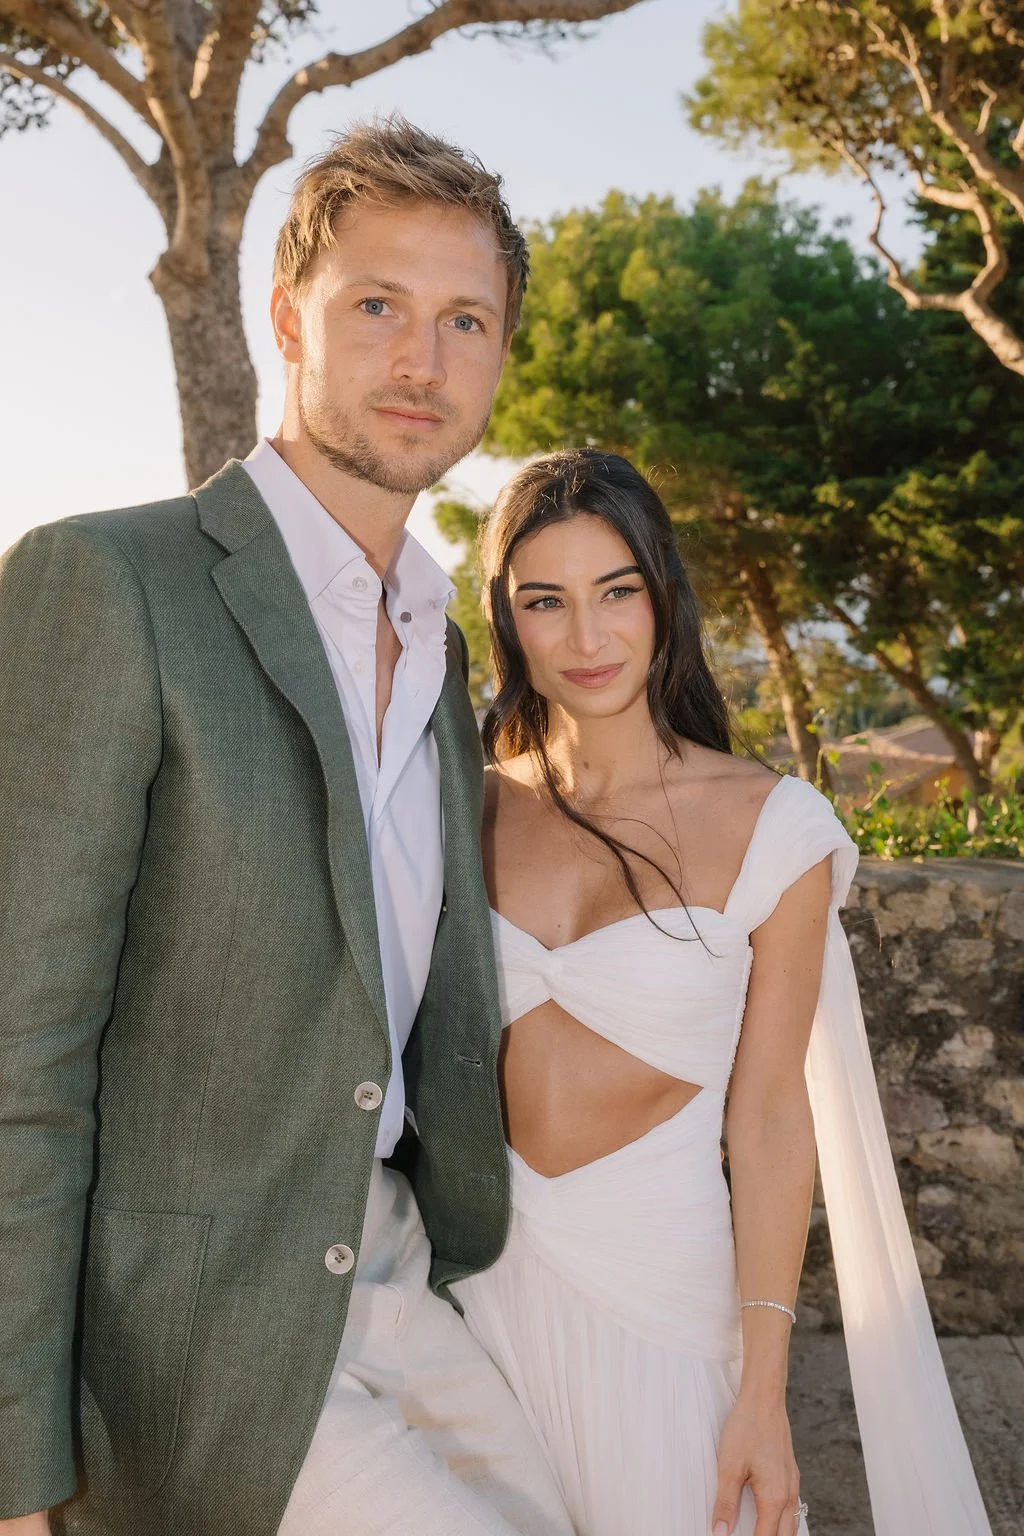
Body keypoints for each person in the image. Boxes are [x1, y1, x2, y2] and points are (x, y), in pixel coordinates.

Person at [0, 119, 574, 1536]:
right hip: (197, 1331)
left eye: (465, 321)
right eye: (377, 305)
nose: (420, 361)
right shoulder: (111, 584)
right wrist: (12, 1468)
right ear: (287, 320)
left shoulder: (438, 651)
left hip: (396, 1271)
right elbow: (19, 1051)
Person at [453, 449, 993, 1536]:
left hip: (663, 1303)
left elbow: (768, 1116)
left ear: (663, 595)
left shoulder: (770, 823)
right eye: (544, 603)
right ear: (507, 622)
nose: (587, 639)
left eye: (618, 593)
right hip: (470, 1297)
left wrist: (761, 1385)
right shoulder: (457, 808)